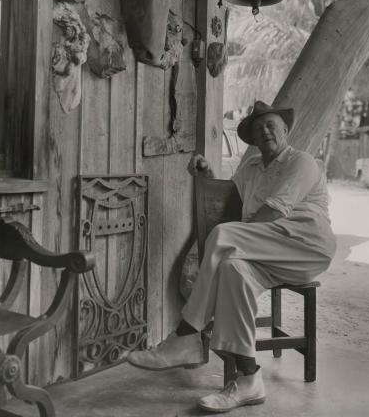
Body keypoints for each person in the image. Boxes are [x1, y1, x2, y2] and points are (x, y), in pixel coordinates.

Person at [127, 101, 337, 413]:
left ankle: (186, 335)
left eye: (271, 125)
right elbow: (230, 200)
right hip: (267, 250)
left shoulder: (301, 162)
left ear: (285, 130)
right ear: (251, 138)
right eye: (257, 128)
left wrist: (233, 238)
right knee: (232, 269)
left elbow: (269, 215)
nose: (265, 131)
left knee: (224, 236)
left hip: (306, 246)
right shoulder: (251, 168)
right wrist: (206, 174)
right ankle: (249, 379)